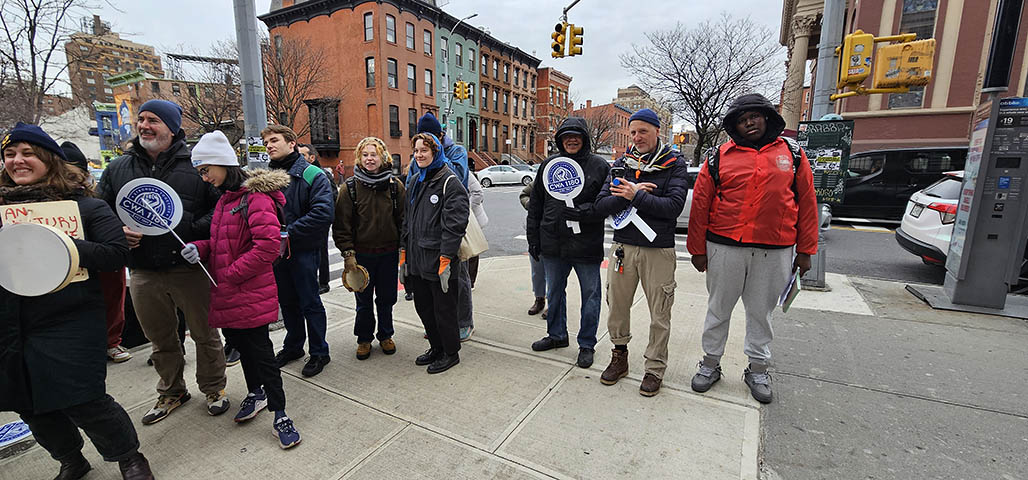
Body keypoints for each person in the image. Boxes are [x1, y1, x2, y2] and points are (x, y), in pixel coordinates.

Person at [1, 123, 154, 479]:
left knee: (84, 399)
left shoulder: (85, 206)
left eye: (27, 153)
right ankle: (70, 459)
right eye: (9, 154)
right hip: (11, 322)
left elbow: (116, 254)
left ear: (49, 159)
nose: (17, 160)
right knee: (30, 404)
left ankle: (128, 457)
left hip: (68, 318)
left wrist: (56, 242)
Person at [97, 99, 229, 424]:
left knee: (206, 334)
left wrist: (191, 230)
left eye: (153, 120)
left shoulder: (197, 164)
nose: (144, 125)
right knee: (160, 340)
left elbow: (222, 208)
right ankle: (172, 391)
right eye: (141, 119)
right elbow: (99, 212)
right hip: (143, 270)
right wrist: (117, 232)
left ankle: (214, 388)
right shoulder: (118, 168)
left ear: (171, 128)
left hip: (189, 268)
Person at [686, 93, 818, 404]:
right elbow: (701, 205)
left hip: (775, 250)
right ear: (734, 125)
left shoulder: (793, 154)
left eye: (754, 116)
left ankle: (758, 368)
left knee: (761, 313)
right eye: (742, 119)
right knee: (718, 309)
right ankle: (710, 363)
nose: (749, 122)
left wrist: (806, 250)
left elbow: (807, 203)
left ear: (767, 118)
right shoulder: (718, 157)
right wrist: (697, 250)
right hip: (724, 247)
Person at [179, 130, 302, 449]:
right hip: (229, 292)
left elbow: (267, 247)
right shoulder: (225, 201)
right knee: (242, 348)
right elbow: (221, 243)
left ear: (222, 163)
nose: (204, 178)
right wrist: (199, 248)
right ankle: (255, 392)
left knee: (261, 353)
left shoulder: (255, 198)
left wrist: (231, 274)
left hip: (249, 291)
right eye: (201, 172)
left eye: (206, 169)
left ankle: (280, 414)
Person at [593, 108, 689, 397]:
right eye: (633, 132)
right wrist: (629, 195)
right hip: (623, 247)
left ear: (657, 131)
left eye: (643, 131)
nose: (636, 137)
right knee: (617, 306)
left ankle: (654, 368)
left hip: (658, 250)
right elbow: (601, 206)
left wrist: (636, 196)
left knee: (660, 313)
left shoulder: (674, 164)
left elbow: (673, 207)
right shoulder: (620, 165)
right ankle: (619, 356)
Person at [526, 117, 610, 368]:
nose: (571, 140)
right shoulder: (549, 165)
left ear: (584, 138)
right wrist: (533, 239)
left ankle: (587, 344)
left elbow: (607, 203)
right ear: (560, 140)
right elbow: (536, 205)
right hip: (553, 243)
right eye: (566, 136)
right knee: (554, 292)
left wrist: (585, 212)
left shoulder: (599, 166)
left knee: (591, 296)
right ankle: (557, 335)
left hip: (586, 244)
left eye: (576, 136)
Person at [262, 125, 335, 377]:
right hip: (277, 253)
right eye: (266, 142)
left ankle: (319, 352)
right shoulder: (266, 178)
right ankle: (293, 346)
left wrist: (286, 233)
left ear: (292, 143)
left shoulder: (312, 174)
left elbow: (323, 213)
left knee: (309, 302)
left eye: (274, 140)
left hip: (303, 250)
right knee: (287, 302)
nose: (269, 146)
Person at [400, 132, 469, 374]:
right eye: (416, 151)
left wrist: (446, 258)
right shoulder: (415, 181)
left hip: (439, 260)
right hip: (417, 259)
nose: (419, 155)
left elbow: (455, 225)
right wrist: (403, 252)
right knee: (424, 308)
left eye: (424, 150)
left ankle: (450, 352)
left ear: (435, 152)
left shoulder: (450, 182)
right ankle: (436, 347)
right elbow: (407, 220)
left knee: (444, 311)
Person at [332, 137, 405, 361]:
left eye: (374, 154)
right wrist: (348, 254)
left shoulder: (394, 186)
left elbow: (404, 221)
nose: (369, 159)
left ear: (383, 157)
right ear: (359, 158)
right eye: (365, 155)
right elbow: (341, 225)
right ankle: (364, 339)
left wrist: (403, 249)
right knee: (363, 302)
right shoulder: (349, 188)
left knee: (386, 299)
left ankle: (386, 335)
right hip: (361, 256)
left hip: (388, 254)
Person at [61, 140, 133, 364]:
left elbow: (114, 248)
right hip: (68, 270)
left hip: (99, 262)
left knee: (112, 299)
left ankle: (112, 341)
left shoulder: (94, 203)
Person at [409, 113, 475, 341]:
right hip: (424, 226)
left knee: (458, 278)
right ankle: (437, 327)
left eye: (430, 138)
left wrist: (437, 154)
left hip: (448, 221)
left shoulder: (456, 152)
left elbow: (458, 178)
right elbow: (412, 185)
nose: (420, 151)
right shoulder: (418, 155)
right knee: (430, 286)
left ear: (439, 135)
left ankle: (464, 322)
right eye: (420, 141)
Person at [298, 143, 335, 295]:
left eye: (303, 155)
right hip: (303, 220)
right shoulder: (297, 174)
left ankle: (324, 282)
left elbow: (333, 197)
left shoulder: (321, 175)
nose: (299, 158)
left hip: (318, 222)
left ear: (311, 158)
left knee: (321, 252)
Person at [520, 181, 547, 317]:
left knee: (555, 272)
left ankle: (554, 302)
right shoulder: (539, 180)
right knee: (537, 269)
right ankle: (539, 298)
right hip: (536, 230)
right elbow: (524, 194)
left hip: (557, 232)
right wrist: (531, 205)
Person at [466, 171, 487, 288]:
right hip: (456, 217)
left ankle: (470, 281)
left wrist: (466, 210)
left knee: (472, 250)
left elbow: (478, 193)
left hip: (471, 218)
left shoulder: (465, 172)